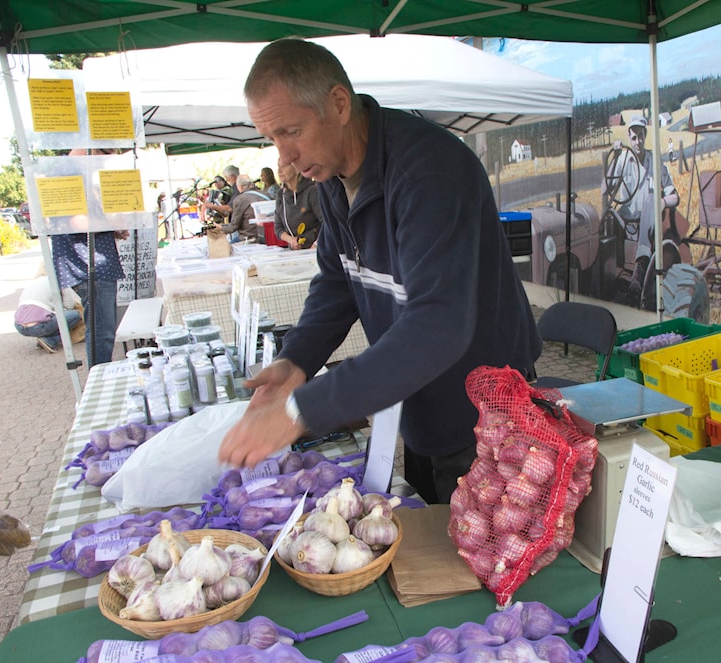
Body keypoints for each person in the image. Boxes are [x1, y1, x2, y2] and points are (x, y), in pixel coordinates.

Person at [218, 38, 542, 504]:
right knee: (430, 520)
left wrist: (301, 409)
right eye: (271, 138)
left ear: (339, 104)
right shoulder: (330, 175)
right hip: (420, 404)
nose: (282, 156)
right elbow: (337, 280)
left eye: (291, 131)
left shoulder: (428, 174)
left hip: (487, 416)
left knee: (484, 558)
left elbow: (438, 326)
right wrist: (297, 361)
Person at [604, 114, 679, 305]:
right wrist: (616, 157)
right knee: (607, 216)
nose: (637, 142)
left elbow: (674, 196)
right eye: (633, 137)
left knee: (651, 199)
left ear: (645, 136)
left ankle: (641, 263)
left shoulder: (655, 161)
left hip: (648, 219)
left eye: (641, 136)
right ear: (629, 139)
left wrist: (661, 202)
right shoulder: (623, 160)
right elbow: (605, 189)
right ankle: (605, 274)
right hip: (627, 217)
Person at [51, 229, 128, 367]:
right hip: (90, 267)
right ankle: (100, 382)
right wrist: (111, 224)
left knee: (102, 331)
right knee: (101, 333)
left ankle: (100, 377)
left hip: (92, 266)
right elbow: (78, 222)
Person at [14, 276, 82, 353]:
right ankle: (50, 340)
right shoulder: (62, 281)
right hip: (37, 326)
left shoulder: (38, 281)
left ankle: (44, 338)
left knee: (49, 318)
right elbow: (69, 306)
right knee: (75, 315)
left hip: (19, 326)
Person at [273, 163, 322, 249]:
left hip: (317, 249)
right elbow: (278, 228)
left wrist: (317, 244)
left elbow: (327, 223)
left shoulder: (312, 191)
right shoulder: (281, 195)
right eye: (278, 166)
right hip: (296, 252)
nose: (279, 171)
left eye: (284, 165)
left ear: (297, 168)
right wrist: (291, 240)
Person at [220, 174, 271, 243]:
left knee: (229, 245)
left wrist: (220, 228)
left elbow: (233, 226)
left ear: (240, 187)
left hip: (249, 238)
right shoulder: (266, 194)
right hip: (268, 236)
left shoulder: (240, 199)